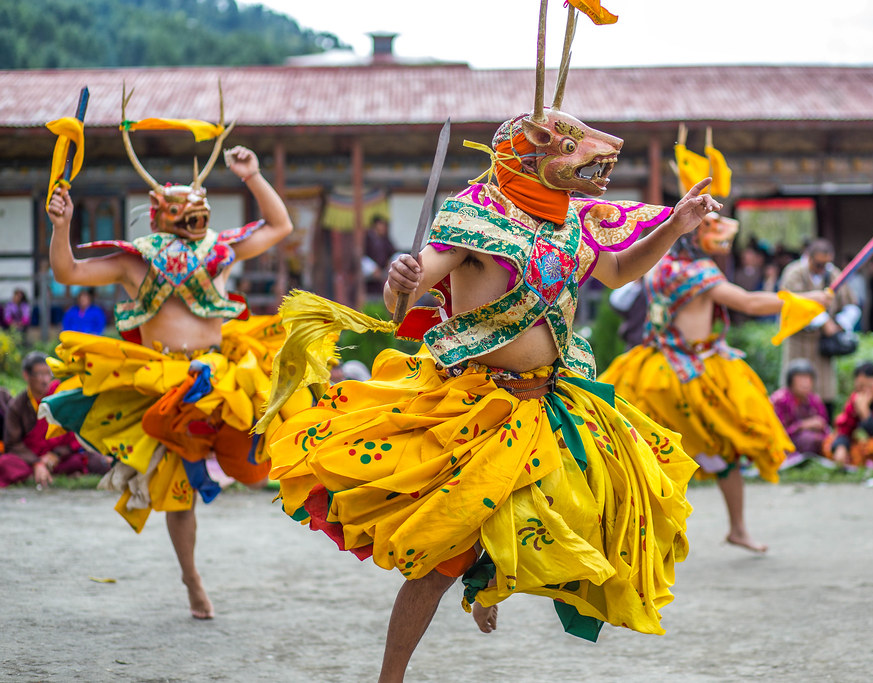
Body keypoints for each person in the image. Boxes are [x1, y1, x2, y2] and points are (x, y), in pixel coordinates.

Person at [259, 21, 716, 672]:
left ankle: (490, 574)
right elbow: (413, 288)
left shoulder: (571, 227)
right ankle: (393, 673)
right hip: (477, 408)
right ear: (529, 155)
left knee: (586, 513)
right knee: (439, 563)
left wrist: (673, 224)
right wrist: (400, 283)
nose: (597, 170)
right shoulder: (473, 218)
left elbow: (616, 272)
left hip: (552, 406)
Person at [40, 98, 298, 621]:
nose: (193, 219)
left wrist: (251, 176)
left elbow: (279, 228)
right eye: (182, 211)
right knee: (175, 490)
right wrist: (61, 223)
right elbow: (67, 272)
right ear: (160, 213)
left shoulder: (222, 249)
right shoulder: (135, 261)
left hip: (223, 373)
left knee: (258, 458)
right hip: (163, 381)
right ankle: (192, 578)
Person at [601, 213, 833, 553]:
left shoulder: (656, 266)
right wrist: (811, 300)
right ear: (697, 239)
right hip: (693, 374)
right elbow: (751, 302)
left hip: (649, 369)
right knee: (723, 451)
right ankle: (736, 528)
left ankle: (637, 534)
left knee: (646, 454)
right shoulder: (700, 273)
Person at [0, 352, 110, 487]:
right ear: (26, 376)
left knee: (92, 460)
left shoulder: (59, 396)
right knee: (5, 463)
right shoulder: (18, 405)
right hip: (30, 458)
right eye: (40, 374)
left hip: (58, 457)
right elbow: (13, 443)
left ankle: (46, 472)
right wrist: (36, 462)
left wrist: (56, 455)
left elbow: (73, 435)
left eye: (48, 374)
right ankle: (44, 471)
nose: (45, 380)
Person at [778, 239, 861, 415]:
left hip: (823, 347)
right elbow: (794, 303)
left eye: (826, 264)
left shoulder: (833, 274)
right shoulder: (794, 272)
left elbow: (851, 304)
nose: (822, 268)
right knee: (795, 392)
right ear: (808, 258)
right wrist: (824, 322)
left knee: (824, 393)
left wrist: (840, 323)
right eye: (818, 264)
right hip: (799, 342)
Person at [770, 358, 831, 462]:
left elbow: (825, 426)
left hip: (812, 438)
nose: (805, 383)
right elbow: (776, 431)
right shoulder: (780, 400)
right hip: (784, 442)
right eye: (801, 378)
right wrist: (803, 425)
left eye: (808, 378)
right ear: (791, 381)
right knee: (808, 439)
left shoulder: (814, 400)